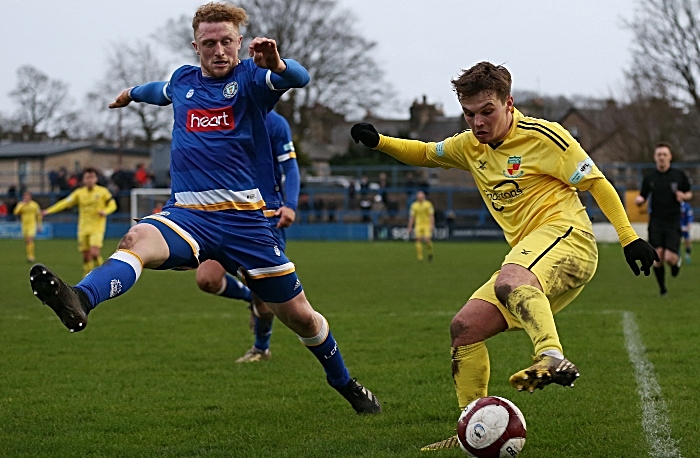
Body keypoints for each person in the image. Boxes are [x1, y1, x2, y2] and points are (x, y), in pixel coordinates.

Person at [29, 2, 380, 415]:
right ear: (195, 45)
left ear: (240, 44)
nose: (219, 51)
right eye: (209, 43)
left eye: (227, 42)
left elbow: (299, 78)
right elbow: (157, 90)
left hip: (246, 222)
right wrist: (130, 94)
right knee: (136, 238)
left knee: (301, 318)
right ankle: (81, 298)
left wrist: (280, 63)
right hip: (188, 216)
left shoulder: (252, 79)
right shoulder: (183, 81)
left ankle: (344, 381)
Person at [350, 61, 656, 448]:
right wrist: (380, 142)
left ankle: (550, 355)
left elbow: (597, 183)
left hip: (569, 238)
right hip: (530, 256)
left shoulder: (546, 137)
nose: (478, 122)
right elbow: (426, 153)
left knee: (512, 277)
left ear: (509, 104)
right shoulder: (469, 146)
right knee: (465, 328)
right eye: (469, 113)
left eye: (487, 111)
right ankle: (471, 427)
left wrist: (628, 237)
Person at [195, 109, 300, 363]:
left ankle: (261, 349)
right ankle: (249, 297)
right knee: (206, 279)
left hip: (265, 219)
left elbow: (291, 168)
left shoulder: (275, 123)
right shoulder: (222, 118)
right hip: (227, 216)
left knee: (267, 304)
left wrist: (291, 205)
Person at [634, 143, 693, 296]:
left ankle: (676, 262)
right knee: (657, 257)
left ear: (670, 157)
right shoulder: (650, 178)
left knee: (669, 258)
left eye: (664, 154)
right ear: (655, 157)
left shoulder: (678, 176)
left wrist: (683, 196)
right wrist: (639, 200)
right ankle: (663, 290)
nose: (661, 157)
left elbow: (689, 194)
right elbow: (643, 195)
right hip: (656, 222)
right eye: (659, 154)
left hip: (673, 221)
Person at [41, 168, 117, 277]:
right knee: (86, 257)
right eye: (87, 177)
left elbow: (113, 204)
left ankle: (105, 274)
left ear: (96, 179)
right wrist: (48, 211)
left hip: (97, 227)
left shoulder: (102, 192)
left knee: (95, 253)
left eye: (92, 177)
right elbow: (64, 203)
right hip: (83, 228)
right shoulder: (79, 193)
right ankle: (87, 278)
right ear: (83, 180)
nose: (89, 180)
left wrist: (105, 211)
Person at [13, 191, 42, 262]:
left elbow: (39, 215)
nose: (26, 198)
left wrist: (39, 225)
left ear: (30, 197)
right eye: (25, 196)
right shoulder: (21, 204)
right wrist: (22, 205)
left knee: (30, 239)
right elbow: (15, 212)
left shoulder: (34, 205)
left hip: (32, 224)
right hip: (24, 225)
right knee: (27, 241)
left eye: (27, 196)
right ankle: (29, 255)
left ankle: (31, 257)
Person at [407, 190, 435, 261]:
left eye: (421, 197)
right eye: (418, 197)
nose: (419, 198)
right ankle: (420, 257)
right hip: (418, 225)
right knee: (418, 239)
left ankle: (430, 252)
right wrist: (410, 226)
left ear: (424, 197)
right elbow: (412, 217)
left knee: (427, 240)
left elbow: (431, 215)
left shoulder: (428, 204)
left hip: (426, 224)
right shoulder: (414, 205)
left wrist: (432, 224)